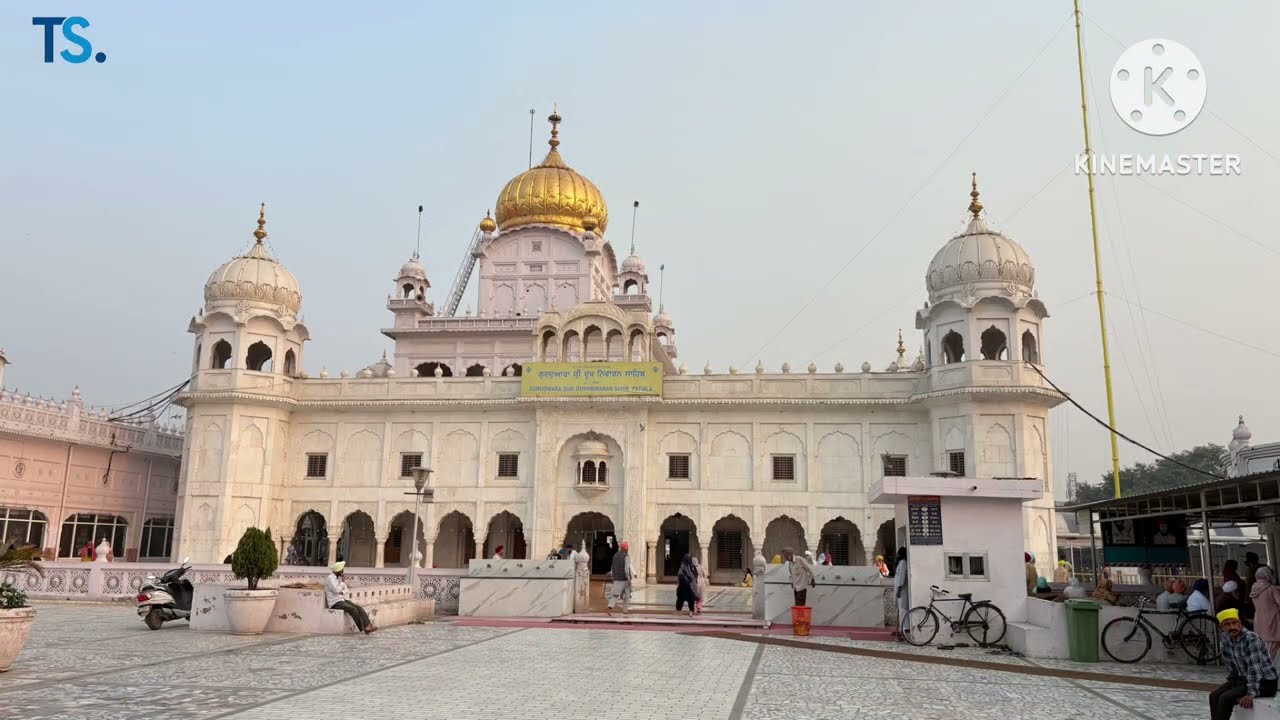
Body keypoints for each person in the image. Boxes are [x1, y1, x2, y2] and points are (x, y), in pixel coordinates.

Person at [1210, 608, 1279, 719]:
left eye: (1234, 623)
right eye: (1227, 624)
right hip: (1243, 679)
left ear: (1240, 623)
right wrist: (1231, 684)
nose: (1232, 627)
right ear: (1221, 627)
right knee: (1213, 696)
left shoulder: (1251, 639)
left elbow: (1254, 668)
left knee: (1225, 698)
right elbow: (1230, 665)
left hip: (1265, 682)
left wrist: (1251, 693)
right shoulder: (1224, 639)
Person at [325, 561, 376, 634]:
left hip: (342, 599)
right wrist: (342, 583)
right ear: (338, 570)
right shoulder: (330, 579)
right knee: (353, 609)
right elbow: (336, 590)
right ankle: (363, 629)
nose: (343, 570)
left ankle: (368, 625)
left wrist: (342, 589)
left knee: (359, 608)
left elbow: (346, 590)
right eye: (342, 569)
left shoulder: (338, 578)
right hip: (335, 602)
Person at [1250, 567, 1280, 660]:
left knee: (1264, 646)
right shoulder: (1271, 589)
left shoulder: (1254, 588)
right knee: (1272, 646)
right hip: (1272, 619)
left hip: (1259, 620)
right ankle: (1267, 668)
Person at [606, 541, 633, 615]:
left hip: (617, 578)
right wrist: (628, 578)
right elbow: (626, 569)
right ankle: (625, 610)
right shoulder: (626, 556)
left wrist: (612, 575)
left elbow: (613, 567)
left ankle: (609, 608)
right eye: (627, 548)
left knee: (615, 595)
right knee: (627, 595)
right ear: (626, 548)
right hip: (624, 579)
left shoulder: (615, 555)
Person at [893, 547, 909, 640]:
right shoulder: (901, 563)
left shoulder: (903, 563)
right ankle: (901, 631)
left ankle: (905, 632)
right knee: (901, 610)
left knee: (903, 611)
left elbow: (902, 577)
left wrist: (899, 589)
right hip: (899, 590)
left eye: (898, 553)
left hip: (902, 590)